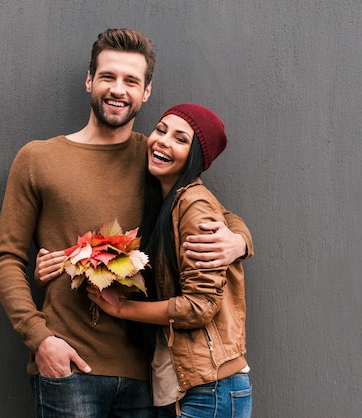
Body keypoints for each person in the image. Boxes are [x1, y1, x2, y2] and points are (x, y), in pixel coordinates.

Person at [0, 28, 253, 418]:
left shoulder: (156, 155)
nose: (118, 89)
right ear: (89, 80)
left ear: (146, 92)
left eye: (131, 80)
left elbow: (207, 207)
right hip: (68, 367)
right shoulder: (38, 158)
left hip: (147, 377)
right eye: (108, 76)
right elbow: (6, 260)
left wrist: (239, 241)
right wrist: (40, 340)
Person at [86, 104, 253, 417]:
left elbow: (200, 305)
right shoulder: (169, 201)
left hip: (209, 389)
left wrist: (122, 308)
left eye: (181, 139)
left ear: (195, 157)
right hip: (181, 387)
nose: (162, 140)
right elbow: (230, 217)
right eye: (161, 130)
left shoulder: (192, 203)